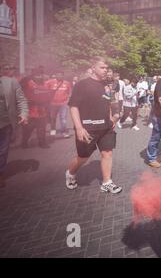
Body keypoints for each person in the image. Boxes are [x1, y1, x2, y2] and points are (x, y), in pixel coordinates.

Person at [65, 56, 122, 194]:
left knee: (107, 153)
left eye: (106, 68)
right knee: (83, 157)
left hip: (106, 128)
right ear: (93, 68)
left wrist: (111, 120)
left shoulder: (107, 85)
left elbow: (107, 103)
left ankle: (107, 182)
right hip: (88, 129)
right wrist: (79, 128)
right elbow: (73, 106)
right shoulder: (82, 85)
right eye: (102, 67)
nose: (105, 70)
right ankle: (70, 173)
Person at [0, 67, 29, 187]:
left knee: (3, 150)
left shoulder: (11, 82)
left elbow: (21, 100)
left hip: (5, 123)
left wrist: (23, 113)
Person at [21, 69, 52, 148]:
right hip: (31, 112)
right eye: (37, 75)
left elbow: (48, 97)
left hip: (42, 111)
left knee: (42, 129)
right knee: (28, 129)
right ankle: (24, 143)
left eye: (40, 75)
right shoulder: (28, 83)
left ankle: (42, 143)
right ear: (33, 76)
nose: (39, 77)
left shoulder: (45, 84)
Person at [45, 71, 72, 138]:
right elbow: (45, 89)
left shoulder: (67, 83)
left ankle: (64, 132)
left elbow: (70, 92)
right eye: (58, 75)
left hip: (63, 104)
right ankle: (53, 130)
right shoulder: (50, 82)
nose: (59, 76)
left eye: (61, 75)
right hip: (52, 104)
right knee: (52, 118)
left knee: (63, 119)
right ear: (55, 75)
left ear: (63, 76)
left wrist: (67, 100)